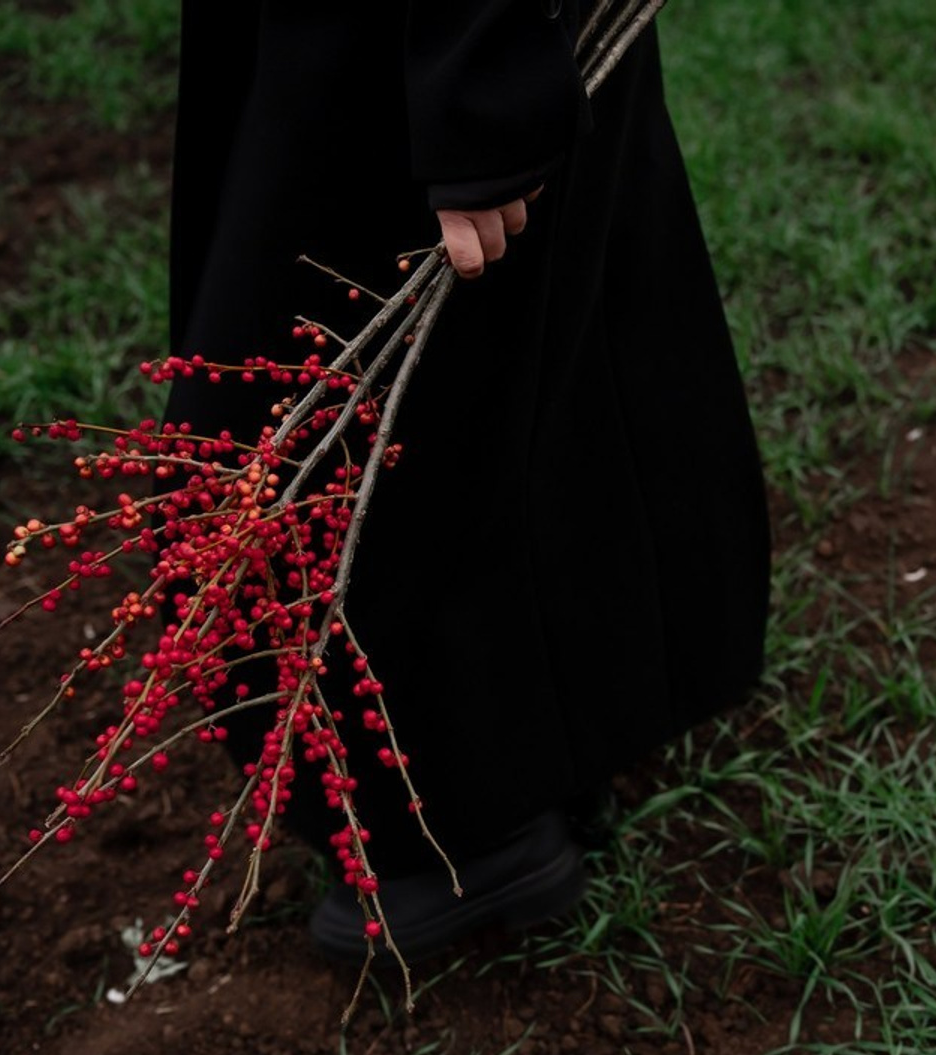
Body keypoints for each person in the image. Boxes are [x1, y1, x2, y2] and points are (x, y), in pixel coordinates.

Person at [164, 0, 770, 964]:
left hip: (411, 40)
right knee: (533, 339)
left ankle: (460, 824)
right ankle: (559, 735)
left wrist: (482, 85)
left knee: (343, 386)